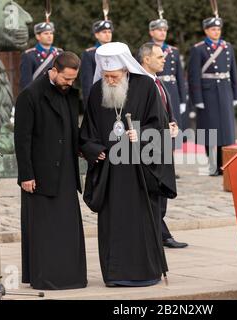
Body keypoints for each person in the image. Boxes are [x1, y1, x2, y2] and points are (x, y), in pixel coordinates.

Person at [79, 42, 177, 287]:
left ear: (126, 71)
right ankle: (115, 274)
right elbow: (86, 133)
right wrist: (94, 150)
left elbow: (160, 126)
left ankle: (146, 273)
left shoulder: (145, 87)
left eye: (115, 76)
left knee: (142, 223)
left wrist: (141, 133)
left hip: (139, 170)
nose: (111, 81)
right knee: (114, 225)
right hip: (110, 172)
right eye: (107, 76)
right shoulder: (95, 92)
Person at [14, 52, 87, 290]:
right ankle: (45, 277)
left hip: (66, 172)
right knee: (45, 230)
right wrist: (26, 175)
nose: (70, 83)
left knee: (67, 228)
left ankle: (70, 276)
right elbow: (22, 140)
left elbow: (72, 129)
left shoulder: (70, 95)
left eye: (73, 79)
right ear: (54, 71)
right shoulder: (30, 95)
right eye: (66, 78)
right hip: (41, 175)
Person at [138, 42, 188, 249]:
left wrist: (173, 124)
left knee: (162, 187)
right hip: (149, 144)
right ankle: (159, 233)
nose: (164, 59)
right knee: (153, 189)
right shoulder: (140, 83)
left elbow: (165, 109)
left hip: (163, 140)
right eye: (159, 57)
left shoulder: (157, 81)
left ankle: (161, 231)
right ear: (146, 59)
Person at [188, 16, 237, 176]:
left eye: (218, 29)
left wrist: (235, 93)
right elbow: (194, 76)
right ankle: (212, 164)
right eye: (213, 29)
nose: (216, 32)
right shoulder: (199, 49)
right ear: (206, 31)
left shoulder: (227, 47)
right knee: (210, 129)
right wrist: (197, 99)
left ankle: (225, 164)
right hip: (207, 92)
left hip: (224, 90)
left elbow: (233, 72)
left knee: (225, 129)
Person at [149, 18, 187, 130]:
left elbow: (180, 76)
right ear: (151, 32)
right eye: (159, 30)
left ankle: (173, 147)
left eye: (165, 30)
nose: (163, 32)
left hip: (172, 90)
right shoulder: (146, 50)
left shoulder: (173, 51)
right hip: (155, 88)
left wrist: (183, 100)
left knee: (174, 125)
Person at [19, 21, 63, 90]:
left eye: (51, 33)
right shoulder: (29, 55)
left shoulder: (59, 53)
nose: (49, 36)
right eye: (46, 33)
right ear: (38, 36)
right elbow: (26, 83)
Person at [81, 20, 114, 107]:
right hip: (99, 97)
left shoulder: (117, 52)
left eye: (109, 32)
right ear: (96, 35)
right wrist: (89, 103)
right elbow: (87, 82)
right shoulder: (89, 54)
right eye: (104, 32)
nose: (107, 34)